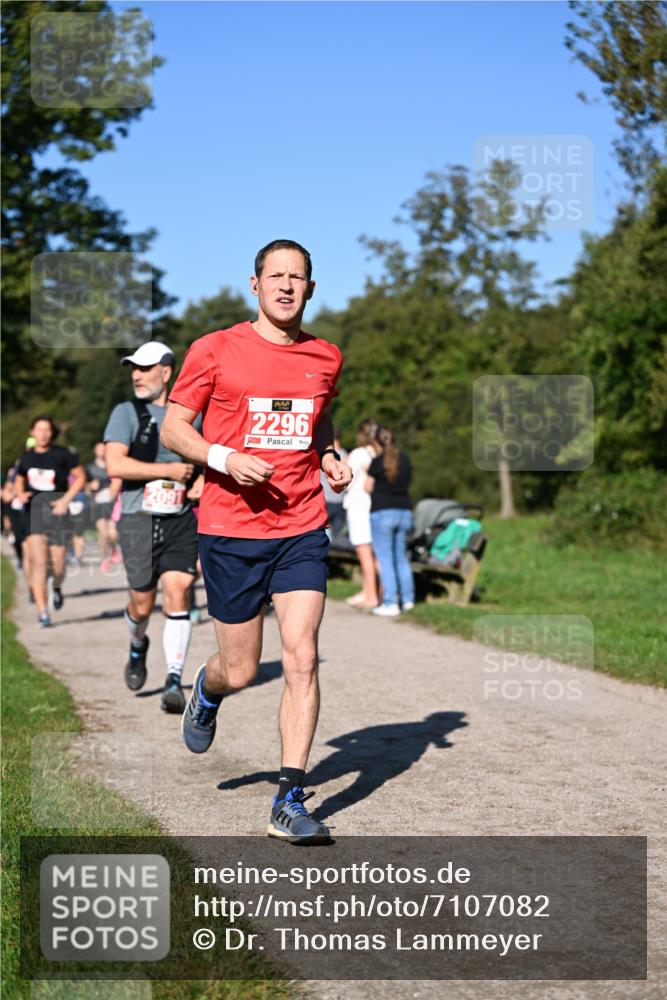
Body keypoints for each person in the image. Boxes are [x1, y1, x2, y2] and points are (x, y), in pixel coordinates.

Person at [161, 238, 352, 844]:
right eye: (277, 276)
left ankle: (288, 798)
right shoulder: (214, 349)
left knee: (301, 657)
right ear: (255, 284)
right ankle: (208, 689)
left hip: (300, 524)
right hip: (230, 528)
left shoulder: (325, 356)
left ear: (311, 289)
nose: (287, 286)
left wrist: (329, 455)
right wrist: (223, 457)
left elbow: (318, 416)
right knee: (241, 670)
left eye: (298, 277)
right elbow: (173, 428)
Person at [104, 341, 200, 714]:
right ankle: (137, 643)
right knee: (142, 603)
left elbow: (206, 458)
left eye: (144, 368)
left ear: (167, 371)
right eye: (133, 368)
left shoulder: (192, 415)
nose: (136, 375)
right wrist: (168, 471)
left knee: (179, 590)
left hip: (179, 518)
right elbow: (116, 465)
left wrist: (201, 481)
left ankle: (174, 680)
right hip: (137, 517)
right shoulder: (126, 412)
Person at [14, 417, 86, 626]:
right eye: (39, 430)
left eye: (47, 430)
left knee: (58, 567)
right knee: (38, 564)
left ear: (52, 433)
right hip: (34, 513)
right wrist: (20, 494)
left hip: (58, 514)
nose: (43, 434)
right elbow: (19, 479)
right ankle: (42, 611)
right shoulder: (26, 458)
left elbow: (80, 477)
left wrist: (65, 500)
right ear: (32, 432)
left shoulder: (63, 455)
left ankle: (57, 587)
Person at [365, 425, 415, 616]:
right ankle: (408, 599)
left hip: (382, 512)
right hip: (404, 511)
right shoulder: (406, 459)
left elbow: (367, 487)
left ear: (376, 441)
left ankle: (390, 602)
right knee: (401, 557)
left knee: (385, 559)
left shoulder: (377, 462)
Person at [342, 419, 381, 608]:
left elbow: (344, 477)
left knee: (364, 552)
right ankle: (371, 591)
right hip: (374, 505)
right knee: (374, 553)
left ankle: (372, 596)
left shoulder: (357, 454)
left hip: (358, 505)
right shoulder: (378, 452)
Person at [86, 442, 121, 572]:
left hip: (112, 502)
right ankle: (105, 558)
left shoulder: (113, 465)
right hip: (97, 503)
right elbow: (85, 488)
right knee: (103, 532)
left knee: (113, 533)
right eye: (99, 449)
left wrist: (114, 489)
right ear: (94, 451)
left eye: (104, 449)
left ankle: (114, 549)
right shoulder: (89, 468)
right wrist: (90, 486)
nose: (101, 451)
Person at [320, 427, 347, 542]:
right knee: (337, 534)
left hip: (323, 498)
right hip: (339, 499)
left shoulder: (322, 454)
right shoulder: (345, 455)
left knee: (319, 531)